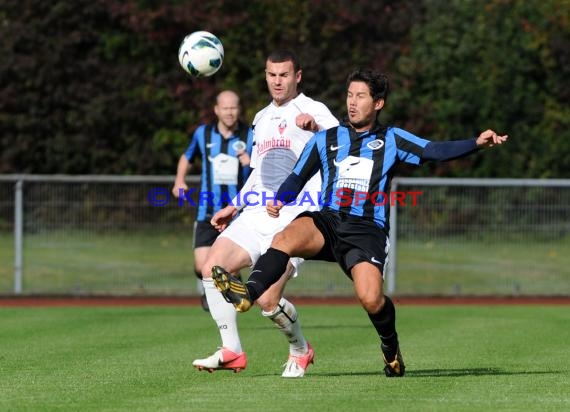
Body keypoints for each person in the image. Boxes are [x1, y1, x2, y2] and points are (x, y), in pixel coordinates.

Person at [212, 67, 508, 377]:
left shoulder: (392, 139)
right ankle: (249, 291)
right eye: (350, 95)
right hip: (328, 221)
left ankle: (390, 348)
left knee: (371, 299)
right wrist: (281, 198)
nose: (352, 102)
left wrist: (476, 142)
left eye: (361, 96)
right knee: (285, 237)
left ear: (378, 103)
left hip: (366, 231)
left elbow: (433, 150)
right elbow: (298, 175)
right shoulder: (326, 139)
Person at [192, 50, 339, 377]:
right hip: (256, 211)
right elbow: (258, 172)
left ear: (297, 76)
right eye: (272, 75)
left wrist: (316, 128)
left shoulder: (314, 110)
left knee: (267, 301)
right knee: (210, 267)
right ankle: (232, 350)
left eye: (283, 75)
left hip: (295, 219)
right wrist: (235, 205)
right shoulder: (260, 118)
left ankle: (300, 348)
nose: (277, 81)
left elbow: (343, 145)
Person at [172, 90, 252, 311]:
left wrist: (249, 161)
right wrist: (180, 180)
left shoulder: (249, 136)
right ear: (216, 110)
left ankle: (223, 295)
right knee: (201, 266)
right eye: (225, 108)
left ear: (239, 109)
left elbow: (262, 167)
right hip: (207, 211)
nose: (229, 112)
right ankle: (211, 287)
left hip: (236, 213)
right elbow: (187, 157)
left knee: (228, 265)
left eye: (234, 107)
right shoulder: (203, 134)